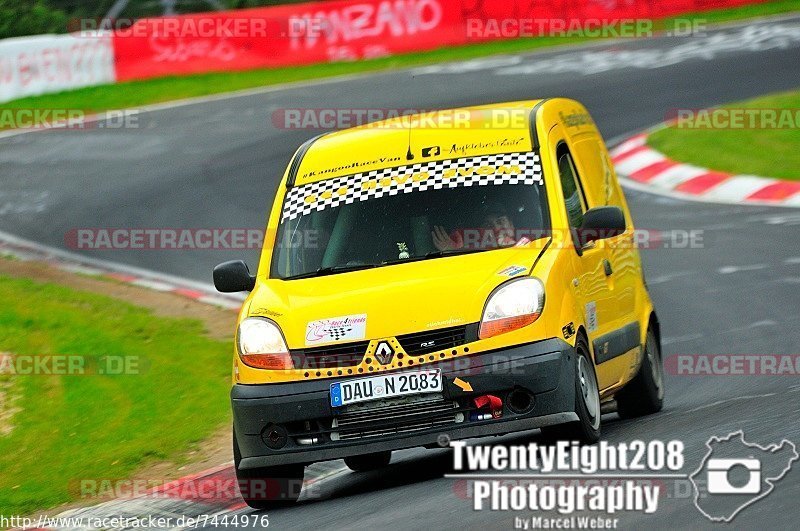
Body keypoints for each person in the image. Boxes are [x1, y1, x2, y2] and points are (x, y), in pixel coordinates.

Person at [431, 204, 521, 251]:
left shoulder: (530, 248)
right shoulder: (479, 259)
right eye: (488, 225)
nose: (496, 228)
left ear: (511, 223)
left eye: (500, 221)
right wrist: (453, 251)